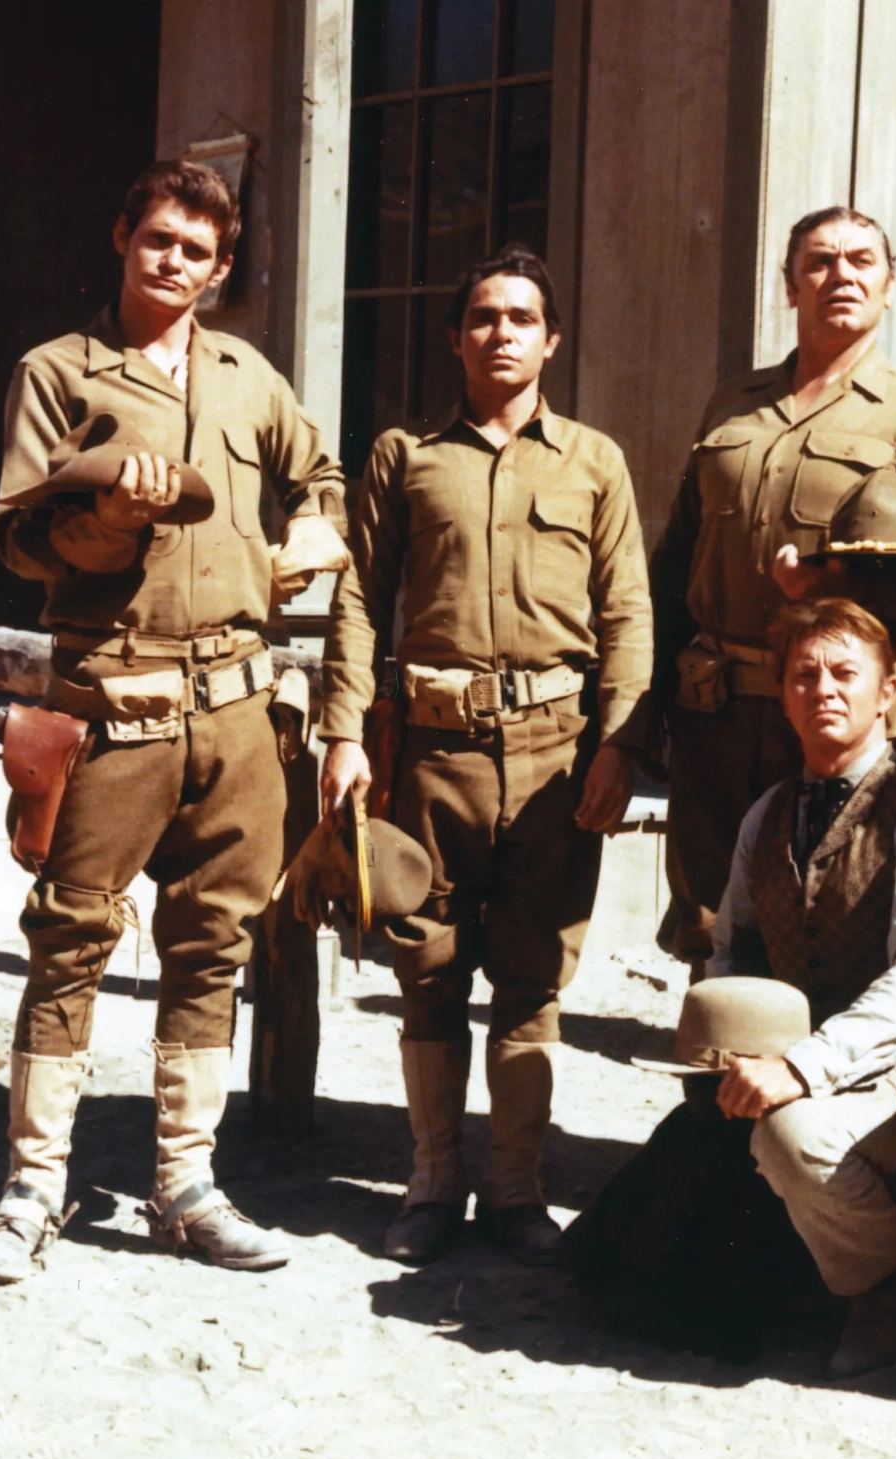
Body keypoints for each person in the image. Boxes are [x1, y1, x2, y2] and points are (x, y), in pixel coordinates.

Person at [0, 159, 350, 1285]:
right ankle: (33, 1187)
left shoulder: (246, 375)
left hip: (235, 707)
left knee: (212, 944)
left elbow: (318, 472)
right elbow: (18, 539)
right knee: (72, 936)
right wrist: (112, 522)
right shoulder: (57, 372)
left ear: (220, 270)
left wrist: (315, 531)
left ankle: (186, 1184)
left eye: (198, 249)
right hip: (114, 697)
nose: (174, 261)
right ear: (122, 238)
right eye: (158, 240)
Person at [320, 244, 653, 1267]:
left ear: (551, 340)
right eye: (482, 317)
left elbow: (629, 610)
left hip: (558, 760)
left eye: (521, 318)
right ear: (457, 336)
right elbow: (360, 601)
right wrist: (343, 730)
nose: (501, 333)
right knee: (427, 969)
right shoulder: (405, 454)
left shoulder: (594, 461)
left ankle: (516, 1188)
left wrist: (621, 745)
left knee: (531, 977)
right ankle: (432, 1179)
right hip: (433, 754)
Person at [646, 207, 896, 971]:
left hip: (841, 714)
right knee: (714, 924)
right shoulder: (732, 403)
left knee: (836, 914)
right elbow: (676, 563)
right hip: (719, 714)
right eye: (821, 261)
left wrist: (838, 584)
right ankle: (717, 1080)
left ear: (889, 287)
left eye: (862, 261)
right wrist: (643, 711)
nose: (842, 276)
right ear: (789, 286)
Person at [706, 598, 896, 1378]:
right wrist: (730, 1049)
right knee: (638, 1248)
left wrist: (802, 1068)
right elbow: (731, 951)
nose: (822, 689)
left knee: (792, 1137)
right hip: (788, 1070)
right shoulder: (765, 815)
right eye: (803, 674)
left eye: (843, 673)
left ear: (888, 690)